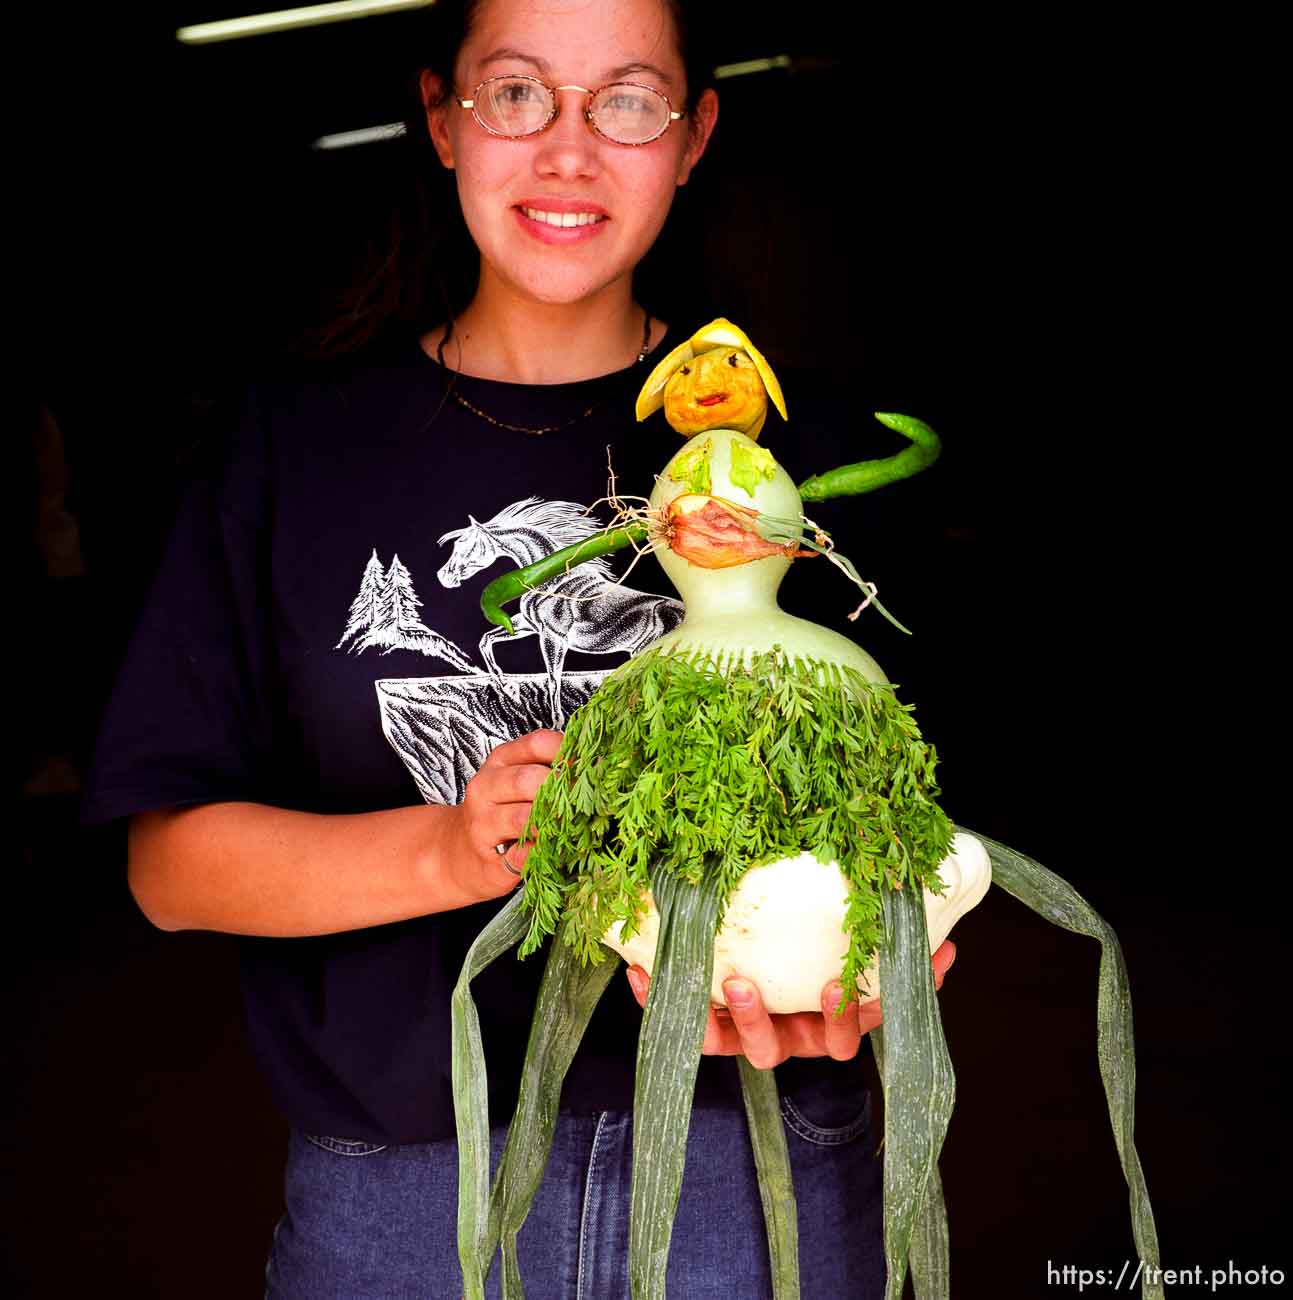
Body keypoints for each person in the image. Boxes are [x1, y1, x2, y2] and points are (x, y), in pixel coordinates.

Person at [83, 1, 953, 1295]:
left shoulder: (791, 462)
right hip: (403, 1191)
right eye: (518, 93)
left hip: (754, 1162)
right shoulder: (291, 453)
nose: (569, 150)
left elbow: (895, 815)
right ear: (443, 116)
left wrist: (868, 957)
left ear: (694, 132)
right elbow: (171, 871)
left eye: (627, 100)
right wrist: (457, 844)